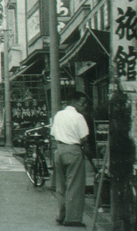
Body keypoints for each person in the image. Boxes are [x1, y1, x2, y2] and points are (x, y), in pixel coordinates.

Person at [50, 91, 91, 228]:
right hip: (73, 150)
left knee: (61, 185)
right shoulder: (79, 117)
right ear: (74, 102)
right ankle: (72, 218)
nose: (84, 106)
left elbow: (53, 133)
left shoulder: (58, 115)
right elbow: (84, 137)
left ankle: (60, 215)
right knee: (75, 184)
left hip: (60, 150)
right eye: (82, 103)